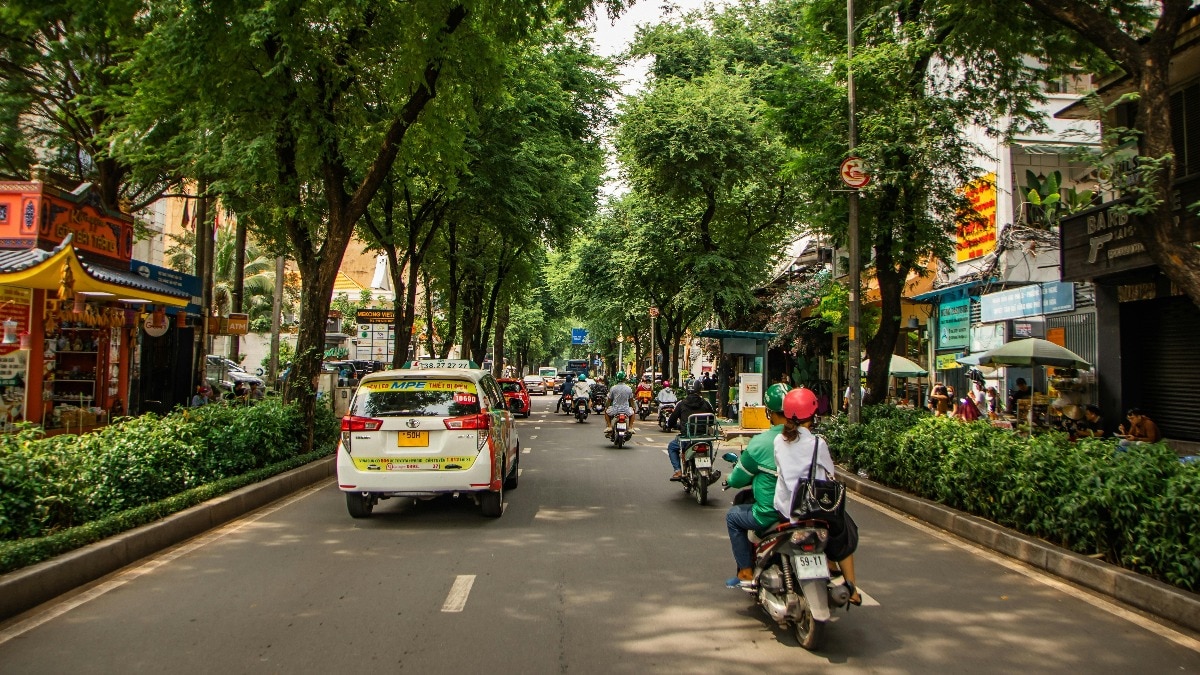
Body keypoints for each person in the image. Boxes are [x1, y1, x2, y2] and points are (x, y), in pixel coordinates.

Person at [770, 387, 861, 604]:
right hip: (815, 509)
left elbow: (781, 469)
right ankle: (852, 588)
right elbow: (830, 473)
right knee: (843, 529)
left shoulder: (778, 441)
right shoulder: (818, 443)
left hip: (787, 511)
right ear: (813, 414)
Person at [723, 383, 790, 587]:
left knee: (733, 517)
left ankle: (745, 571)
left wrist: (730, 480)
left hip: (771, 512)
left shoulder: (762, 442)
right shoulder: (811, 440)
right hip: (806, 510)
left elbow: (738, 479)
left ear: (769, 412)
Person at [665, 382, 716, 479]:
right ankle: (710, 469)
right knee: (709, 445)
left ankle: (678, 471)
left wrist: (677, 426)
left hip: (687, 438)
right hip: (703, 437)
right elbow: (712, 420)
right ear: (699, 390)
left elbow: (671, 421)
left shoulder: (681, 404)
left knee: (672, 447)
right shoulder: (706, 403)